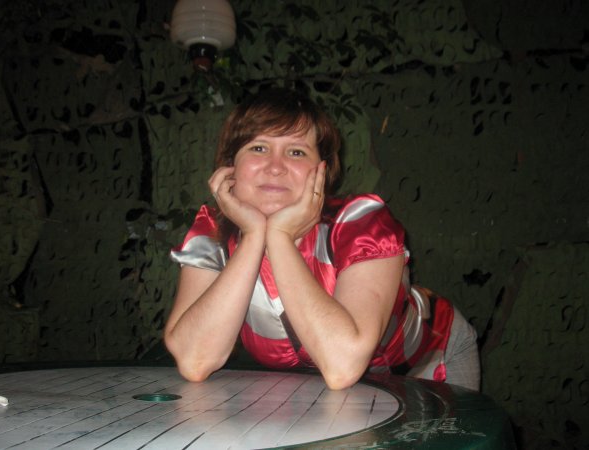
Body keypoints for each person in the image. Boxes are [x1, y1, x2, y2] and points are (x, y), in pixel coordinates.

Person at [165, 87, 480, 391]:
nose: (275, 167)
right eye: (258, 148)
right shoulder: (214, 232)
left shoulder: (359, 222)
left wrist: (280, 237)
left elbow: (342, 363)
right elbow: (195, 360)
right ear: (230, 166)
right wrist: (253, 236)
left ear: (322, 171)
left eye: (296, 152)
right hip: (328, 383)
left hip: (431, 360)